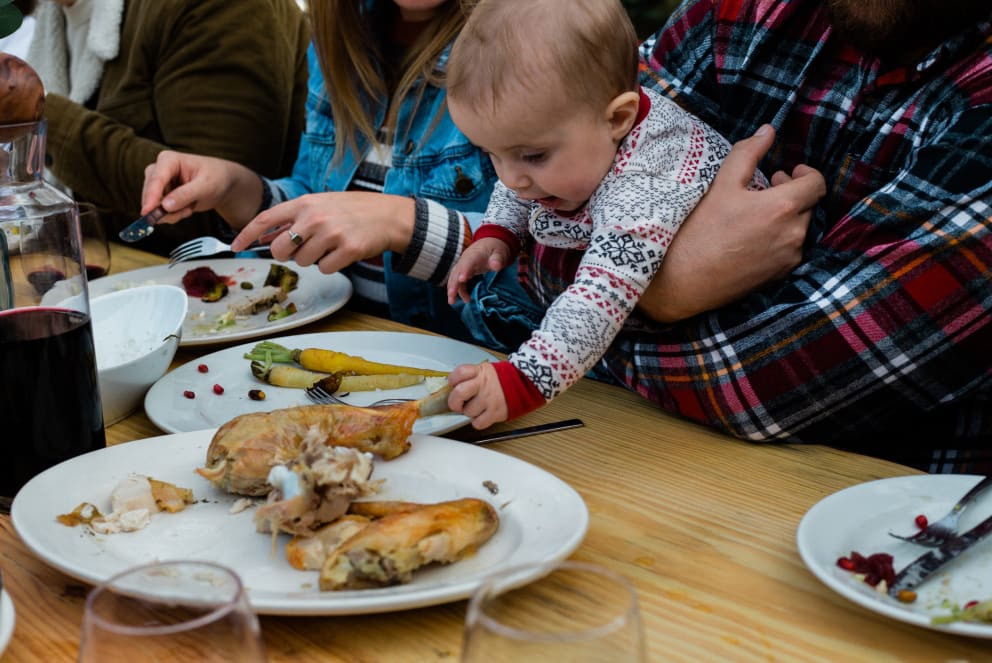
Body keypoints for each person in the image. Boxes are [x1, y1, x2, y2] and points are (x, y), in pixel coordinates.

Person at [619, 0, 992, 473]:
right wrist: (664, 284)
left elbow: (765, 385)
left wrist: (601, 312)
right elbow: (542, 185)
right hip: (629, 445)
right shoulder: (744, 10)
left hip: (874, 513)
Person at [440, 0, 767, 427]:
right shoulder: (579, 126)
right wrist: (498, 231)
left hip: (720, 354)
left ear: (618, 118)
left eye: (533, 155)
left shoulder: (644, 185)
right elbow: (518, 184)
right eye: (492, 154)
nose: (512, 178)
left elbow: (598, 297)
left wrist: (519, 382)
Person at [140, 0, 535, 341]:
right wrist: (235, 190)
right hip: (344, 348)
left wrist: (405, 225)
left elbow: (561, 274)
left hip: (483, 378)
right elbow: (320, 201)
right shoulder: (342, 38)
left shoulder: (531, 42)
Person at [24, 0, 309, 255]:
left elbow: (216, 212)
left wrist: (39, 112)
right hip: (115, 279)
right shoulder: (51, 18)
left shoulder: (214, 8)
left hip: (224, 292)